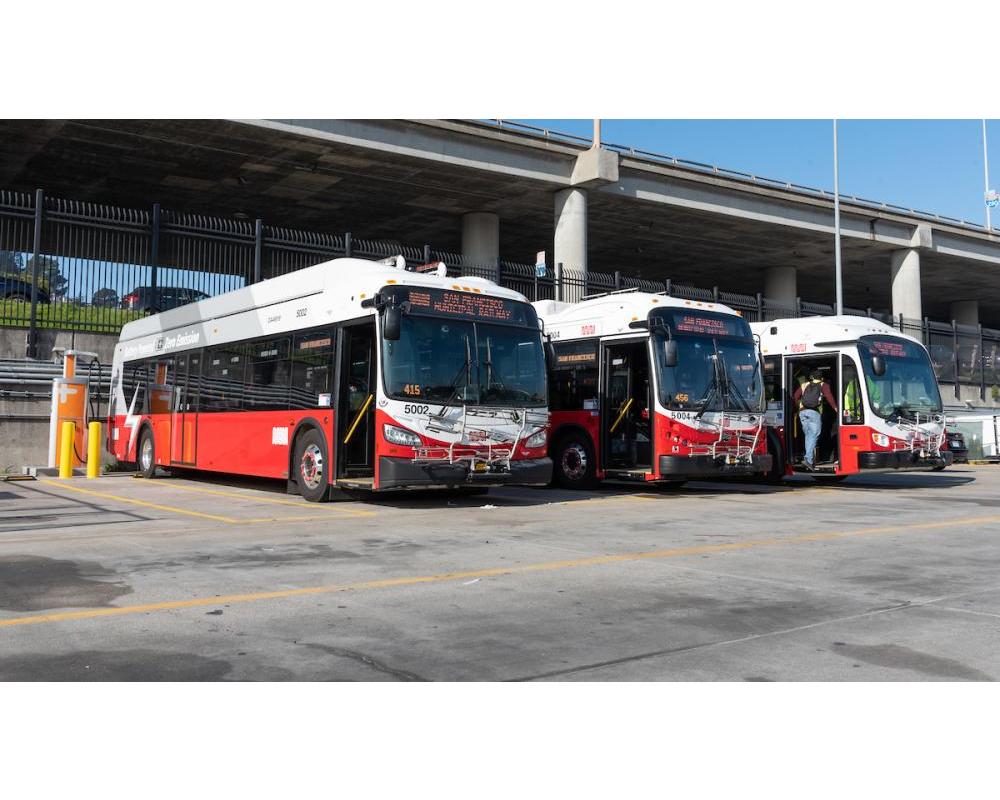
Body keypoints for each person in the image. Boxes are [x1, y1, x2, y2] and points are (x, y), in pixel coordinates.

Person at [793, 369, 838, 469]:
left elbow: (795, 396)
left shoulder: (804, 385)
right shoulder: (823, 385)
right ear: (821, 378)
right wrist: (835, 408)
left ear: (812, 378)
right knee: (814, 435)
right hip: (814, 413)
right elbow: (829, 397)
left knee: (808, 435)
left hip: (802, 413)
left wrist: (798, 407)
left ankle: (809, 458)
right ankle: (808, 459)